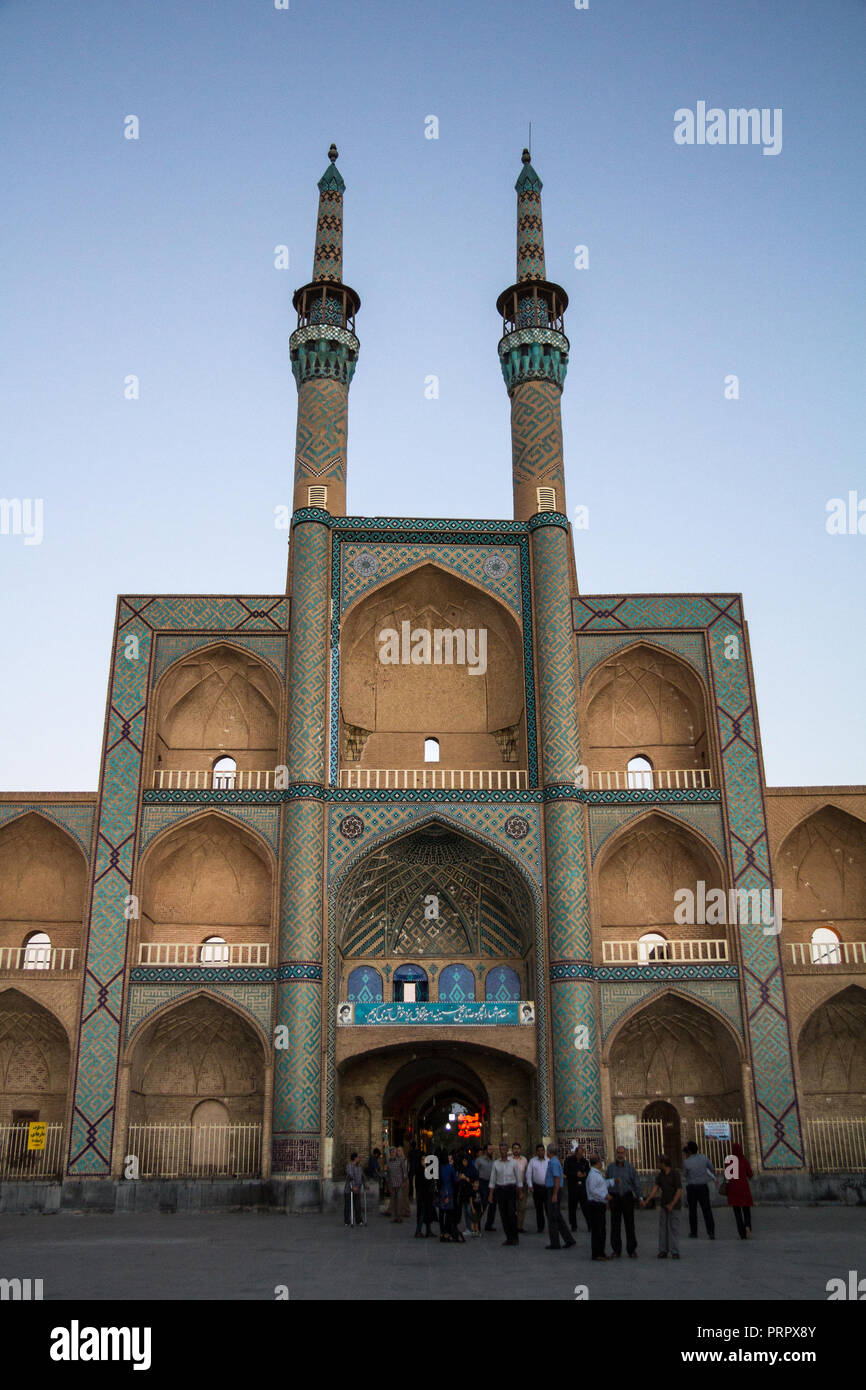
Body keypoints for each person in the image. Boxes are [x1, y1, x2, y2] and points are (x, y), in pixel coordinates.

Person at [606, 1145, 643, 1258]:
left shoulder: (630, 1168)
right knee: (615, 1224)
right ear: (616, 1154)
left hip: (627, 1197)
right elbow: (606, 1182)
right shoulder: (611, 1168)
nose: (620, 1155)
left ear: (625, 1154)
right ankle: (616, 1250)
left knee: (629, 1224)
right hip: (614, 1197)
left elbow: (636, 1183)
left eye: (622, 1153)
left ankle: (631, 1249)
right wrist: (606, 1198)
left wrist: (640, 1197)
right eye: (618, 1153)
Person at [643, 1154, 683, 1258]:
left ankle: (675, 1251)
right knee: (663, 1228)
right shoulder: (660, 1175)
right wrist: (647, 1200)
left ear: (663, 1163)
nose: (657, 1164)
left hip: (675, 1205)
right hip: (664, 1204)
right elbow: (655, 1189)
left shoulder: (675, 1174)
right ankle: (663, 1250)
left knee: (674, 1228)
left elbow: (679, 1190)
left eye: (658, 1162)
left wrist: (672, 1204)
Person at [544, 1143, 577, 1250]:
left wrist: (554, 1194)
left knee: (553, 1217)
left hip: (553, 1190)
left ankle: (555, 1243)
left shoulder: (553, 1163)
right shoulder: (555, 1162)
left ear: (549, 1152)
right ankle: (569, 1239)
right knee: (557, 1216)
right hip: (554, 1190)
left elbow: (557, 1178)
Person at [488, 1141, 520, 1245]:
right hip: (500, 1190)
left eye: (504, 1150)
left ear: (507, 1151)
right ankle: (509, 1237)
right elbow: (492, 1180)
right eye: (501, 1150)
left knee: (511, 1213)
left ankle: (515, 1236)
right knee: (503, 1214)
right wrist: (491, 1194)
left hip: (510, 1189)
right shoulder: (496, 1164)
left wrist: (521, 1192)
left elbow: (518, 1178)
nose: (502, 1152)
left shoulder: (513, 1163)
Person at [683, 1140, 716, 1239]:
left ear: (688, 1150)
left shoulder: (686, 1162)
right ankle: (711, 1232)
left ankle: (694, 1232)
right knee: (707, 1210)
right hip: (703, 1187)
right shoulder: (704, 1157)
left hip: (692, 1188)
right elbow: (712, 1168)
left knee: (692, 1211)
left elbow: (685, 1175)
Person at [725, 1141, 754, 1240]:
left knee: (737, 1212)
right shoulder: (744, 1160)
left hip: (733, 1189)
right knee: (746, 1210)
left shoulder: (729, 1160)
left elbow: (727, 1176)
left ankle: (741, 1233)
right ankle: (748, 1227)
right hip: (744, 1188)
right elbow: (750, 1174)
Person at [586, 1154, 612, 1260]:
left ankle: (601, 1251)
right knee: (597, 1230)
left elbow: (602, 1185)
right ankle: (597, 1253)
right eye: (601, 1161)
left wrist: (612, 1181)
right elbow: (593, 1190)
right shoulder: (593, 1175)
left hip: (600, 1204)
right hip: (595, 1204)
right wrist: (604, 1196)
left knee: (601, 1229)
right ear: (597, 1163)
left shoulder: (597, 1174)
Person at [564, 1143, 591, 1233]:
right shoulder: (569, 1160)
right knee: (572, 1207)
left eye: (581, 1154)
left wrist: (584, 1174)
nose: (580, 1156)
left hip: (582, 1188)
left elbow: (588, 1171)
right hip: (573, 1187)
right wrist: (575, 1174)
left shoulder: (585, 1161)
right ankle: (573, 1225)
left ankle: (589, 1225)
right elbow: (566, 1171)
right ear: (575, 1153)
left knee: (585, 1207)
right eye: (579, 1154)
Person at [526, 1142, 548, 1233]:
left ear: (544, 1151)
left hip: (547, 1188)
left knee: (548, 1208)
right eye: (538, 1151)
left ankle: (552, 1225)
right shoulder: (532, 1161)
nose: (540, 1152)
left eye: (542, 1150)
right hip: (537, 1187)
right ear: (536, 1152)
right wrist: (530, 1185)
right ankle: (540, 1226)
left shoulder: (549, 1161)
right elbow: (528, 1173)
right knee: (539, 1209)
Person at [475, 1142, 497, 1232]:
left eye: (492, 1149)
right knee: (483, 1204)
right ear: (485, 1150)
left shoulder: (494, 1161)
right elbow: (475, 1172)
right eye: (489, 1149)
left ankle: (489, 1224)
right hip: (482, 1182)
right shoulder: (479, 1160)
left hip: (492, 1183)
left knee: (493, 1205)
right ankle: (477, 1223)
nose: (491, 1151)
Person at [414, 1154, 436, 1238]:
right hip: (422, 1196)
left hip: (429, 1195)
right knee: (422, 1214)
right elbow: (419, 1183)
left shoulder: (429, 1169)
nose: (424, 1161)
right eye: (422, 1160)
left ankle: (428, 1231)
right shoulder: (419, 1170)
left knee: (428, 1212)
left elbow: (431, 1181)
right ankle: (418, 1231)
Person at [437, 1151, 457, 1241]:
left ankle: (442, 1231)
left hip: (441, 1191)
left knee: (441, 1213)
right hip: (449, 1191)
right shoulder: (450, 1167)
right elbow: (455, 1180)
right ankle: (447, 1232)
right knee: (448, 1213)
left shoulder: (439, 1168)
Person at [344, 1151, 365, 1227]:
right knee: (348, 1206)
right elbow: (350, 1176)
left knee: (357, 1206)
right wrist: (353, 1186)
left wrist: (365, 1185)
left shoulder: (359, 1168)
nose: (359, 1158)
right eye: (358, 1157)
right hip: (349, 1190)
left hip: (357, 1190)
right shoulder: (349, 1166)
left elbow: (362, 1177)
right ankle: (347, 1221)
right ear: (355, 1158)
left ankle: (359, 1220)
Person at [511, 1141, 529, 1232]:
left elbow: (527, 1172)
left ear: (520, 1150)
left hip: (522, 1186)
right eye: (515, 1148)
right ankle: (513, 1226)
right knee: (513, 1207)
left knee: (522, 1208)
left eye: (518, 1148)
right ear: (512, 1150)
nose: (516, 1150)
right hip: (512, 1186)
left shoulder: (524, 1160)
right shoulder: (509, 1160)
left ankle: (520, 1226)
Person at [386, 1145, 407, 1222]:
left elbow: (404, 1172)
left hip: (399, 1184)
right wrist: (388, 1184)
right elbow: (388, 1174)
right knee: (394, 1201)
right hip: (392, 1184)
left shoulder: (400, 1161)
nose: (392, 1153)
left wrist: (404, 1181)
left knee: (399, 1200)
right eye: (391, 1152)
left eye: (393, 1151)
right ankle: (395, 1217)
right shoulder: (388, 1162)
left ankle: (399, 1217)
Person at [396, 1145, 411, 1217]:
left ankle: (407, 1211)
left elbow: (406, 1172)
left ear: (402, 1152)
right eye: (397, 1150)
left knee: (405, 1197)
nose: (397, 1152)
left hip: (404, 1180)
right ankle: (402, 1211)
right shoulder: (397, 1160)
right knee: (400, 1196)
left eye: (399, 1150)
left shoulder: (404, 1160)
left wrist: (404, 1181)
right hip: (399, 1181)